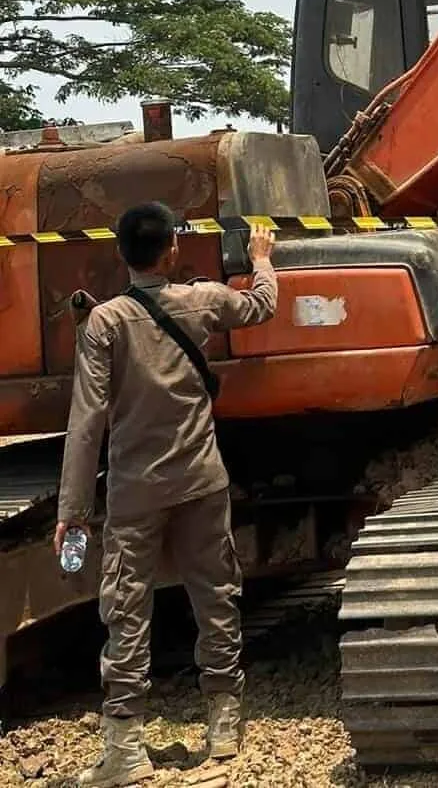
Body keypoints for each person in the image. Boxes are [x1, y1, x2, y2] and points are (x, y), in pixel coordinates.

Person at [56, 205, 278, 786]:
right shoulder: (201, 300)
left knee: (127, 612)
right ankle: (224, 726)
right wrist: (262, 260)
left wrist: (73, 513)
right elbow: (260, 305)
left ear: (119, 254)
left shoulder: (104, 324)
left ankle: (125, 752)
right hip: (203, 481)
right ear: (172, 252)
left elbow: (86, 423)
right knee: (216, 596)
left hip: (135, 493)